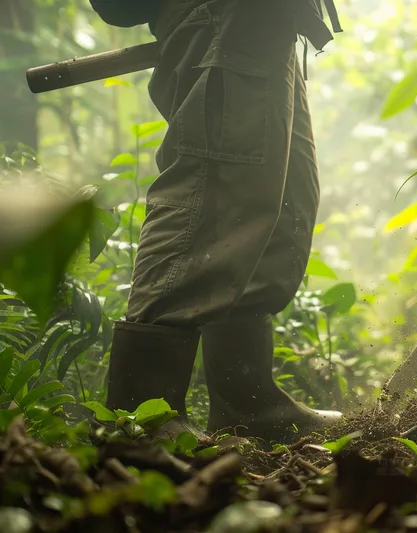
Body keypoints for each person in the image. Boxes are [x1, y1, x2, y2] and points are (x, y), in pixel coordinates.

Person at [89, 0, 343, 442]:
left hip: (268, 20)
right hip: (226, 15)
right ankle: (139, 414)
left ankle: (247, 404)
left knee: (281, 203)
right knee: (214, 187)